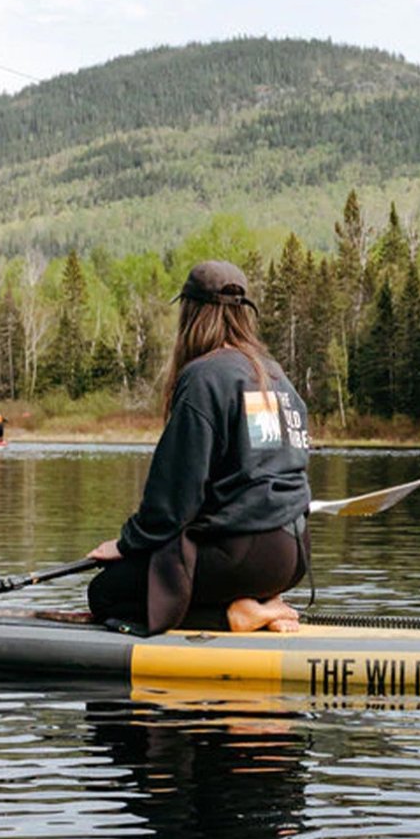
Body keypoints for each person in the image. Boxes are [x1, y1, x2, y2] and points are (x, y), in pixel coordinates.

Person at [86, 260, 311, 635]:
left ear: (190, 313)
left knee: (107, 593)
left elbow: (174, 497)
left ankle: (234, 616)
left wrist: (127, 544)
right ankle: (260, 600)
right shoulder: (274, 374)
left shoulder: (205, 377)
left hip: (243, 555)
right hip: (293, 554)